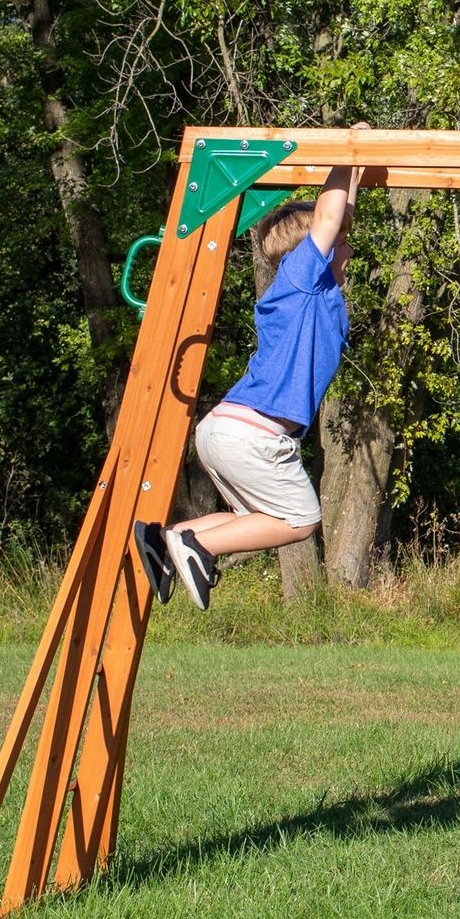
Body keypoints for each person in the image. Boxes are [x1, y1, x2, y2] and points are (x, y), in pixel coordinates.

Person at [133, 150, 365, 610]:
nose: (349, 247)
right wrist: (346, 152)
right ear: (319, 244)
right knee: (300, 520)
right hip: (254, 433)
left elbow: (341, 215)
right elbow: (329, 214)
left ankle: (168, 538)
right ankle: (197, 547)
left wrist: (354, 169)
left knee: (258, 518)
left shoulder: (315, 291)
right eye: (340, 238)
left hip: (229, 428)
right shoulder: (302, 280)